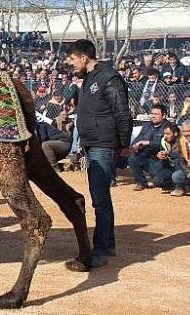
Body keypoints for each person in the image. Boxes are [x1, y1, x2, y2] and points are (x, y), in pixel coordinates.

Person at [66, 39, 132, 268]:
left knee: (100, 198)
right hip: (92, 144)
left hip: (104, 145)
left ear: (84, 57)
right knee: (100, 196)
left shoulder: (109, 78)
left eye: (72, 58)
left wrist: (123, 144)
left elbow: (123, 113)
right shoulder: (88, 79)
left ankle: (102, 248)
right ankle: (108, 244)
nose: (70, 63)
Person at [127, 104, 172, 191]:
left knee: (159, 181)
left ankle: (171, 182)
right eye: (152, 114)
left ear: (164, 115)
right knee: (132, 156)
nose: (153, 116)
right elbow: (137, 139)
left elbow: (164, 143)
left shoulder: (169, 127)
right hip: (146, 157)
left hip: (160, 159)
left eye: (156, 114)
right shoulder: (147, 125)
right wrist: (135, 145)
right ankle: (141, 183)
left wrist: (147, 143)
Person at [157, 122, 181, 193]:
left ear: (175, 133)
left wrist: (168, 153)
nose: (165, 136)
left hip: (185, 168)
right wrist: (162, 156)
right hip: (170, 167)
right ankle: (173, 184)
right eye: (164, 133)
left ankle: (180, 187)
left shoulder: (183, 139)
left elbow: (182, 155)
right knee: (158, 181)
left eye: (168, 134)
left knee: (178, 160)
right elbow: (164, 156)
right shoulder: (163, 140)